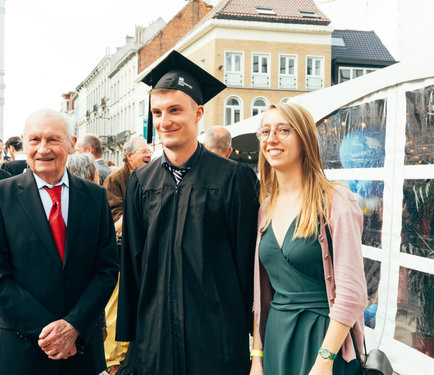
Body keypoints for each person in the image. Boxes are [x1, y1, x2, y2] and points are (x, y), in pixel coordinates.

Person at [116, 50, 259, 375]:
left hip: (216, 338)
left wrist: (253, 337)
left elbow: (246, 262)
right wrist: (134, 340)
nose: (164, 121)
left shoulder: (233, 179)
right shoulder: (141, 182)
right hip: (156, 336)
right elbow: (133, 262)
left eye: (175, 110)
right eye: (157, 112)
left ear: (198, 113)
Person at [250, 103, 367, 375]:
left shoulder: (335, 200)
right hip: (278, 340)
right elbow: (262, 295)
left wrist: (325, 359)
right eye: (265, 131)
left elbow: (352, 293)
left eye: (283, 130)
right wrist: (257, 357)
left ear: (304, 139)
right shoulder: (265, 207)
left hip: (324, 341)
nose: (271, 139)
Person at [0, 109, 119, 374]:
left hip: (81, 352)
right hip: (23, 351)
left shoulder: (96, 197)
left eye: (53, 139)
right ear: (24, 142)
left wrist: (74, 326)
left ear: (71, 144)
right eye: (34, 140)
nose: (43, 149)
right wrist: (54, 332)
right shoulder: (2, 197)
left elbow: (107, 270)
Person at [102, 136, 151, 374]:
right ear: (129, 156)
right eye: (143, 151)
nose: (148, 155)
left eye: (149, 151)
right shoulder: (115, 179)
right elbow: (114, 221)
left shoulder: (150, 176)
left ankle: (131, 354)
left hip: (145, 251)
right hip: (121, 251)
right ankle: (113, 360)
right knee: (116, 305)